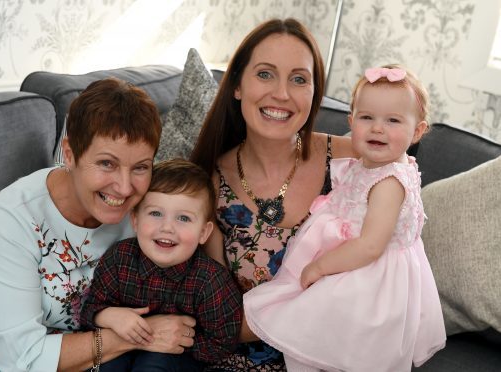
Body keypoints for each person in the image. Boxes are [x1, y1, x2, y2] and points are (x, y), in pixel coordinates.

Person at [0, 78, 197, 372]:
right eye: (107, 163)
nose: (123, 187)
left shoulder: (149, 209)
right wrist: (140, 336)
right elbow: (22, 361)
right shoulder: (12, 219)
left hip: (96, 353)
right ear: (69, 154)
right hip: (1, 359)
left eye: (140, 167)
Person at [243, 65, 447, 371]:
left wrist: (321, 266)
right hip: (350, 261)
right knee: (309, 325)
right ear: (351, 122)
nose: (378, 128)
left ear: (417, 131)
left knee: (328, 336)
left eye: (393, 120)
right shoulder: (371, 165)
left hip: (366, 277)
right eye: (367, 118)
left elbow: (369, 247)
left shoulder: (390, 182)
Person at [190, 18, 355, 370]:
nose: (281, 93)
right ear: (237, 86)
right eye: (265, 74)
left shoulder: (350, 161)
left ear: (315, 93)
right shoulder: (210, 183)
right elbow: (218, 314)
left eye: (299, 79)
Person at [80, 159, 243, 371]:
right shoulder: (119, 259)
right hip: (119, 346)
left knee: (154, 364)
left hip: (175, 356)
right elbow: (89, 311)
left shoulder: (210, 280)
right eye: (155, 213)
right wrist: (108, 315)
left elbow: (223, 341)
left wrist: (180, 342)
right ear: (135, 221)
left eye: (183, 218)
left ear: (203, 232)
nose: (167, 227)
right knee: (106, 365)